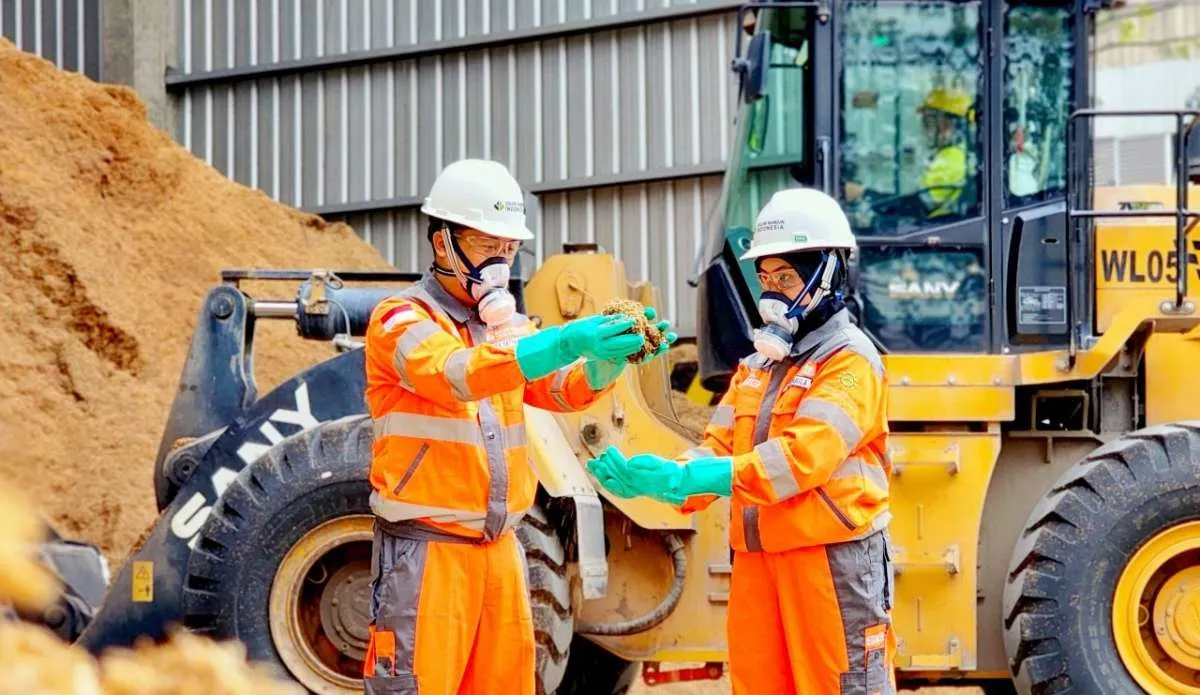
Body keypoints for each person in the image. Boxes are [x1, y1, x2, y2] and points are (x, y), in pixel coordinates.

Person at [360, 157, 676, 695]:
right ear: (443, 244)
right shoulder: (401, 320)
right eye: (488, 249)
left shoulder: (500, 329)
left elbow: (555, 389)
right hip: (428, 554)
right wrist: (569, 339)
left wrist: (604, 363)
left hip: (500, 549)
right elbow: (458, 375)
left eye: (509, 250)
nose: (501, 264)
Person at [587, 186, 896, 694]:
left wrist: (695, 475)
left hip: (830, 564)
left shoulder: (849, 361)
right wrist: (666, 479)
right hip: (756, 566)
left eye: (787, 277)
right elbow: (720, 447)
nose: (772, 292)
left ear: (831, 276)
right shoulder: (755, 367)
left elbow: (800, 459)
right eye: (766, 277)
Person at [845, 85, 973, 222]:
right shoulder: (952, 155)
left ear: (945, 124)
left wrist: (863, 194)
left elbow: (916, 208)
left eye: (928, 120)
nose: (923, 128)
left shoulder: (952, 160)